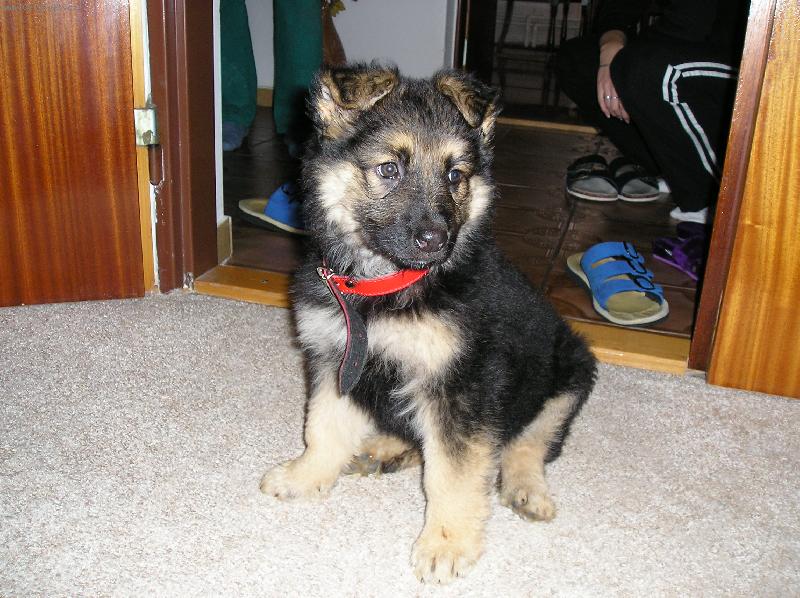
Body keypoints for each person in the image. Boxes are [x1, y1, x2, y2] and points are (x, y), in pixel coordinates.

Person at [556, 0, 750, 223]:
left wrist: (627, 69)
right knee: (576, 60)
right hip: (675, 46)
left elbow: (695, 23)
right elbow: (618, 10)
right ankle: (666, 167)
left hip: (743, 59)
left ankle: (707, 199)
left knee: (645, 68)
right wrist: (610, 52)